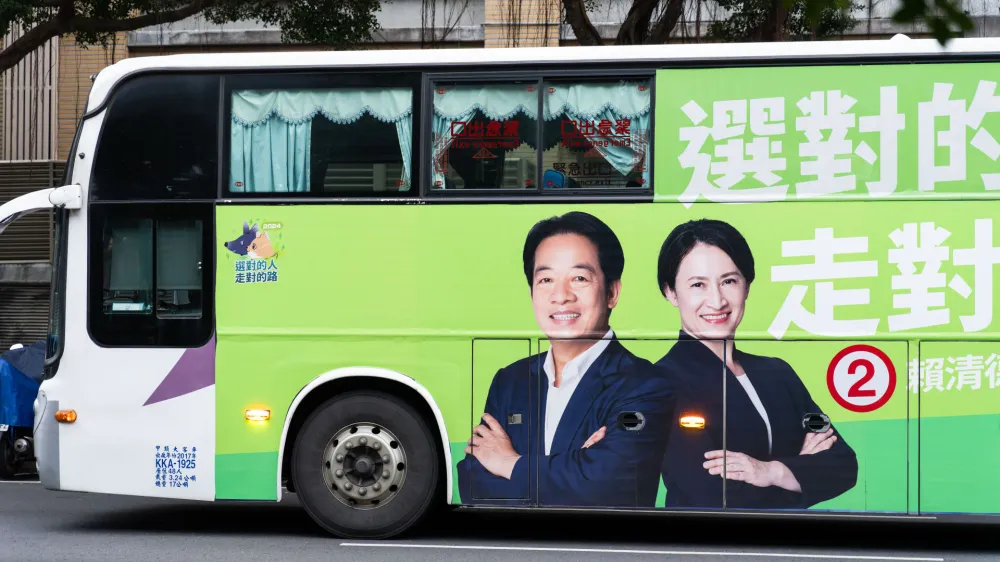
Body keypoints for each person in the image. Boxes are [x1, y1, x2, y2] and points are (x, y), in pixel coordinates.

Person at [456, 211, 675, 507]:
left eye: (579, 278)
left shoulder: (645, 385)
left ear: (612, 292)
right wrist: (577, 467)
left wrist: (509, 463)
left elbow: (609, 485)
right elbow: (473, 482)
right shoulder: (510, 380)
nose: (561, 296)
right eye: (546, 279)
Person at [654, 218, 858, 510]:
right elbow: (714, 496)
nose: (717, 300)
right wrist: (800, 471)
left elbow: (844, 465)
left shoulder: (777, 373)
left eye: (729, 281)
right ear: (670, 292)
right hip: (709, 551)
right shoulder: (661, 383)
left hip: (787, 550)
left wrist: (768, 472)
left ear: (746, 286)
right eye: (698, 284)